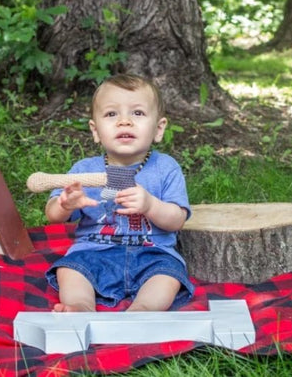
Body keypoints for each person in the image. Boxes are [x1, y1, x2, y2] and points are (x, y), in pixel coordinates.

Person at [45, 73, 194, 312]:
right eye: (111, 114)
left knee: (168, 275)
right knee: (70, 269)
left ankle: (143, 309)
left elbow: (177, 220)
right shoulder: (84, 170)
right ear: (95, 130)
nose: (124, 121)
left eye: (137, 113)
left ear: (158, 128)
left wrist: (151, 206)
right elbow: (52, 215)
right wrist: (65, 204)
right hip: (94, 251)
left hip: (152, 254)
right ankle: (80, 307)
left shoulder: (166, 167)